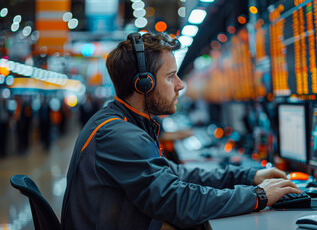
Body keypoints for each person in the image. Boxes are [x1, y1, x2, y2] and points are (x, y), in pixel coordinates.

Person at [61, 32, 301, 230]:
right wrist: (257, 196)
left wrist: (247, 177)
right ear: (143, 84)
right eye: (170, 76)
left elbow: (175, 174)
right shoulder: (118, 134)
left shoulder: (122, 123)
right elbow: (176, 200)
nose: (180, 85)